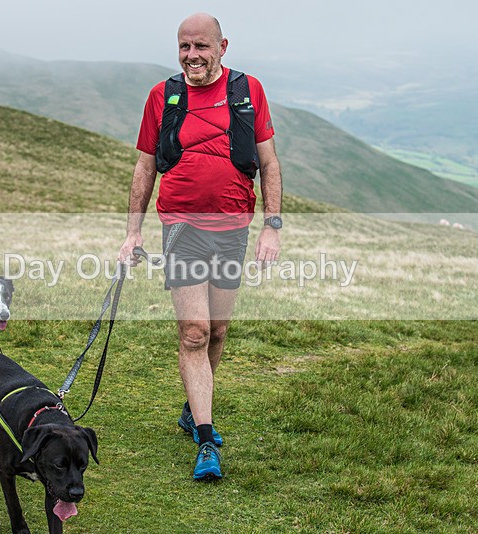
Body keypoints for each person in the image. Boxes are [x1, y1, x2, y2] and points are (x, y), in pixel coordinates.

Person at [118, 12, 282, 481]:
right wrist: (134, 231)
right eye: (184, 46)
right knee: (194, 332)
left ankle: (193, 408)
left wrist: (272, 226)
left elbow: (269, 164)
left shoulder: (248, 92)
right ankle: (206, 440)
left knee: (218, 331)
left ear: (222, 47)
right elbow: (145, 166)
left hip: (233, 228)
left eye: (201, 47)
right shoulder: (163, 96)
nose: (192, 56)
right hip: (181, 228)